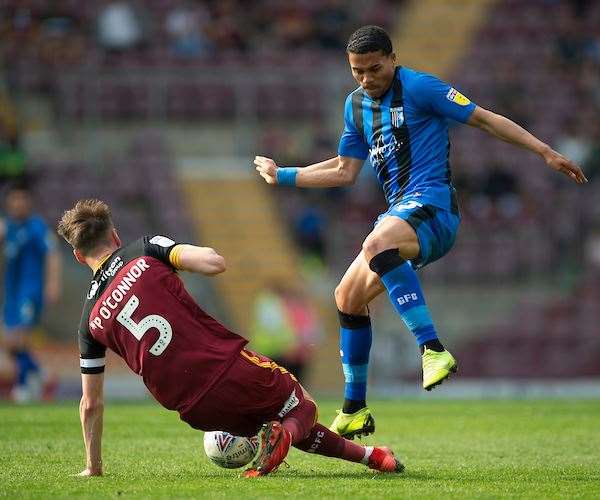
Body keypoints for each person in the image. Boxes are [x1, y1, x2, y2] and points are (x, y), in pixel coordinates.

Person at [254, 25, 587, 439]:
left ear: (393, 59)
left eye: (374, 69)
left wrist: (545, 152)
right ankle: (355, 408)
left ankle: (432, 349)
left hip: (434, 207)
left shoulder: (421, 87)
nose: (366, 78)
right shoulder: (355, 106)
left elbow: (484, 120)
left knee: (375, 243)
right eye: (357, 71)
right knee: (346, 297)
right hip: (400, 215)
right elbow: (343, 170)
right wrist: (282, 175)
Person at [56, 199, 404, 478]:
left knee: (280, 422)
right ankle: (285, 436)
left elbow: (91, 404)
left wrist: (94, 466)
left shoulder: (89, 321)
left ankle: (374, 457)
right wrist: (178, 255)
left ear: (78, 255)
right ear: (114, 237)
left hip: (191, 408)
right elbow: (213, 263)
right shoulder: (145, 249)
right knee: (302, 406)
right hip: (224, 367)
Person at [1, 179, 61, 401]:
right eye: (14, 199)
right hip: (11, 292)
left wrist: (52, 283)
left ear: (29, 202)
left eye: (22, 198)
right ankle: (40, 373)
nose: (18, 203)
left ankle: (24, 385)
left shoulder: (36, 226)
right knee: (9, 343)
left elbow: (52, 253)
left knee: (20, 338)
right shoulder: (8, 227)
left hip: (30, 290)